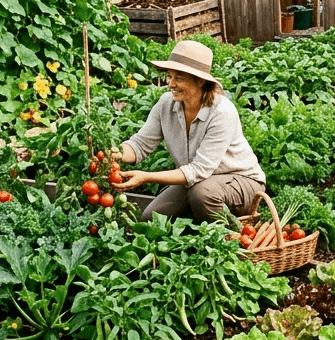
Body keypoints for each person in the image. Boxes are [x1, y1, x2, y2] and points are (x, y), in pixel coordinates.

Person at [110, 40, 266, 222]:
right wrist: (115, 154)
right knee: (151, 220)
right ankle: (196, 227)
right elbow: (140, 144)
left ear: (200, 81)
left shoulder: (222, 111)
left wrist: (146, 177)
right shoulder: (166, 104)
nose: (171, 84)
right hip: (196, 182)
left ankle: (230, 237)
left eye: (179, 78)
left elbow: (198, 170)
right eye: (169, 76)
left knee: (202, 195)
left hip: (240, 182)